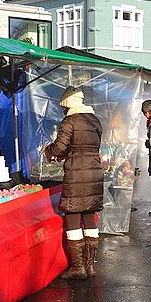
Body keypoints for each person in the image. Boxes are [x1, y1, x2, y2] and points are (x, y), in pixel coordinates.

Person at [44, 86, 104, 279]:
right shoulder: (95, 120)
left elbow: (60, 147)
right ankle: (90, 266)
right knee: (89, 215)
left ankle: (78, 267)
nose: (63, 110)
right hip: (94, 172)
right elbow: (87, 147)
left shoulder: (69, 121)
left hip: (76, 174)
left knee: (72, 215)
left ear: (67, 104)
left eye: (63, 107)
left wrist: (49, 150)